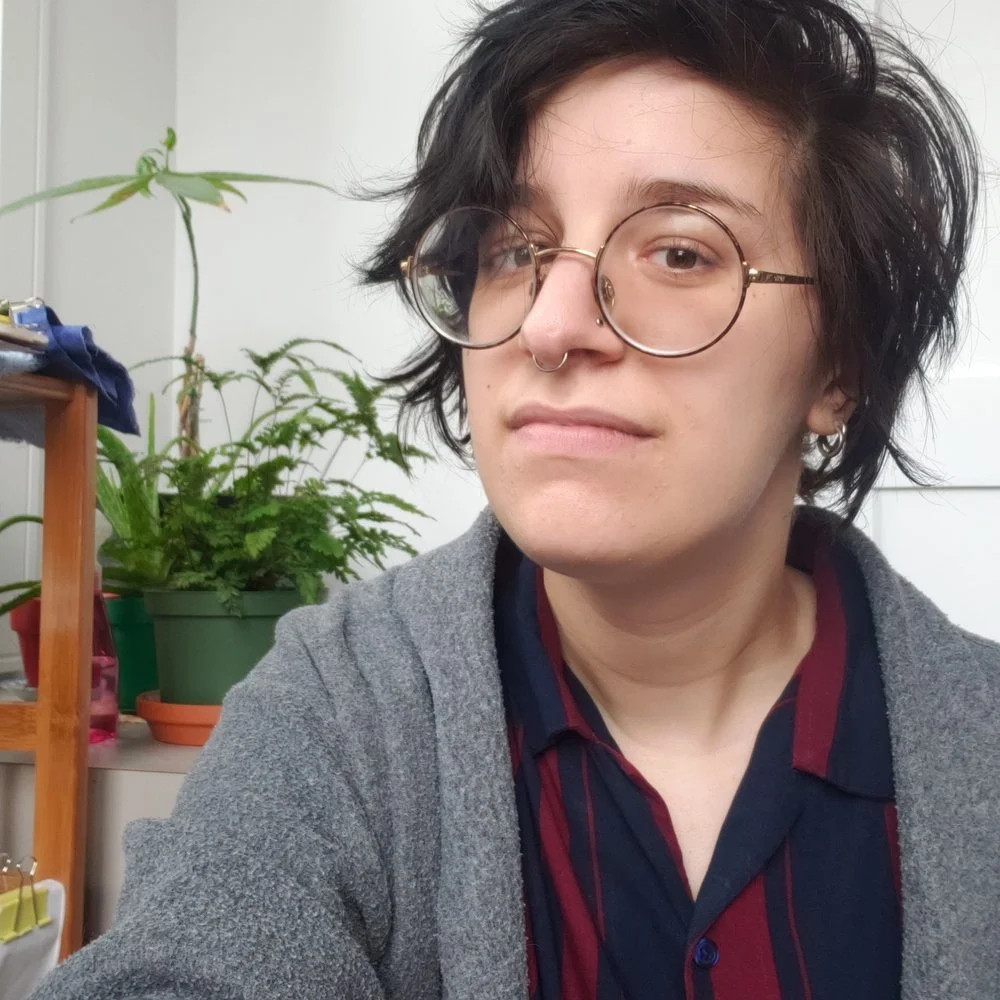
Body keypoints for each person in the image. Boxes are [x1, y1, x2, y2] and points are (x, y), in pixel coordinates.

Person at [33, 1, 999, 998]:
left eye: (678, 251)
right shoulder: (344, 705)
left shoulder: (978, 739)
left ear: (835, 366)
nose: (551, 322)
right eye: (511, 251)